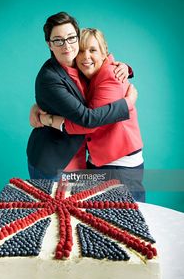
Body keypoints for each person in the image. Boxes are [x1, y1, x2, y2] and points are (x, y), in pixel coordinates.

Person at [27, 12, 137, 182]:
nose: (66, 46)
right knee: (51, 208)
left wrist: (126, 67)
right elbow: (87, 119)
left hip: (79, 161)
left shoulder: (80, 65)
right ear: (49, 44)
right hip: (53, 162)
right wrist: (127, 103)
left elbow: (103, 67)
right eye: (58, 40)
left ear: (77, 38)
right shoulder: (49, 78)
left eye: (71, 38)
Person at [39, 28, 145, 201]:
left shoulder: (111, 75)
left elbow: (89, 121)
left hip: (118, 164)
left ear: (105, 53)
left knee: (126, 221)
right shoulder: (88, 76)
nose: (86, 56)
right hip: (101, 161)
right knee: (96, 219)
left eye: (93, 50)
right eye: (81, 51)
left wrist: (48, 120)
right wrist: (38, 106)